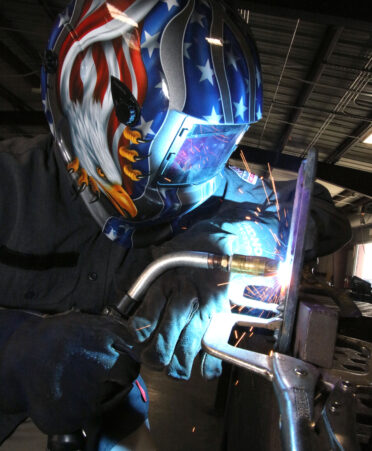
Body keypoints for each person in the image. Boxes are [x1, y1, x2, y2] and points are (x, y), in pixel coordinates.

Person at [0, 1, 351, 450]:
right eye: (190, 146)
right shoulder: (11, 187)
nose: (206, 167)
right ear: (104, 105)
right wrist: (15, 353)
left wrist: (231, 248)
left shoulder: (205, 187)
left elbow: (319, 212)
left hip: (108, 405)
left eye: (221, 143)